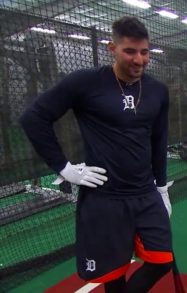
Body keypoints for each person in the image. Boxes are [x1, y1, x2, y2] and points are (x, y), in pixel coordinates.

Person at [20, 16, 174, 292]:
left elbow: (159, 139)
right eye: (130, 51)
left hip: (144, 193)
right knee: (113, 275)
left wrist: (161, 188)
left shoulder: (157, 91)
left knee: (162, 260)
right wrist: (64, 168)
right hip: (105, 198)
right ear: (111, 48)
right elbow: (34, 118)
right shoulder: (85, 83)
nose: (139, 59)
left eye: (144, 51)